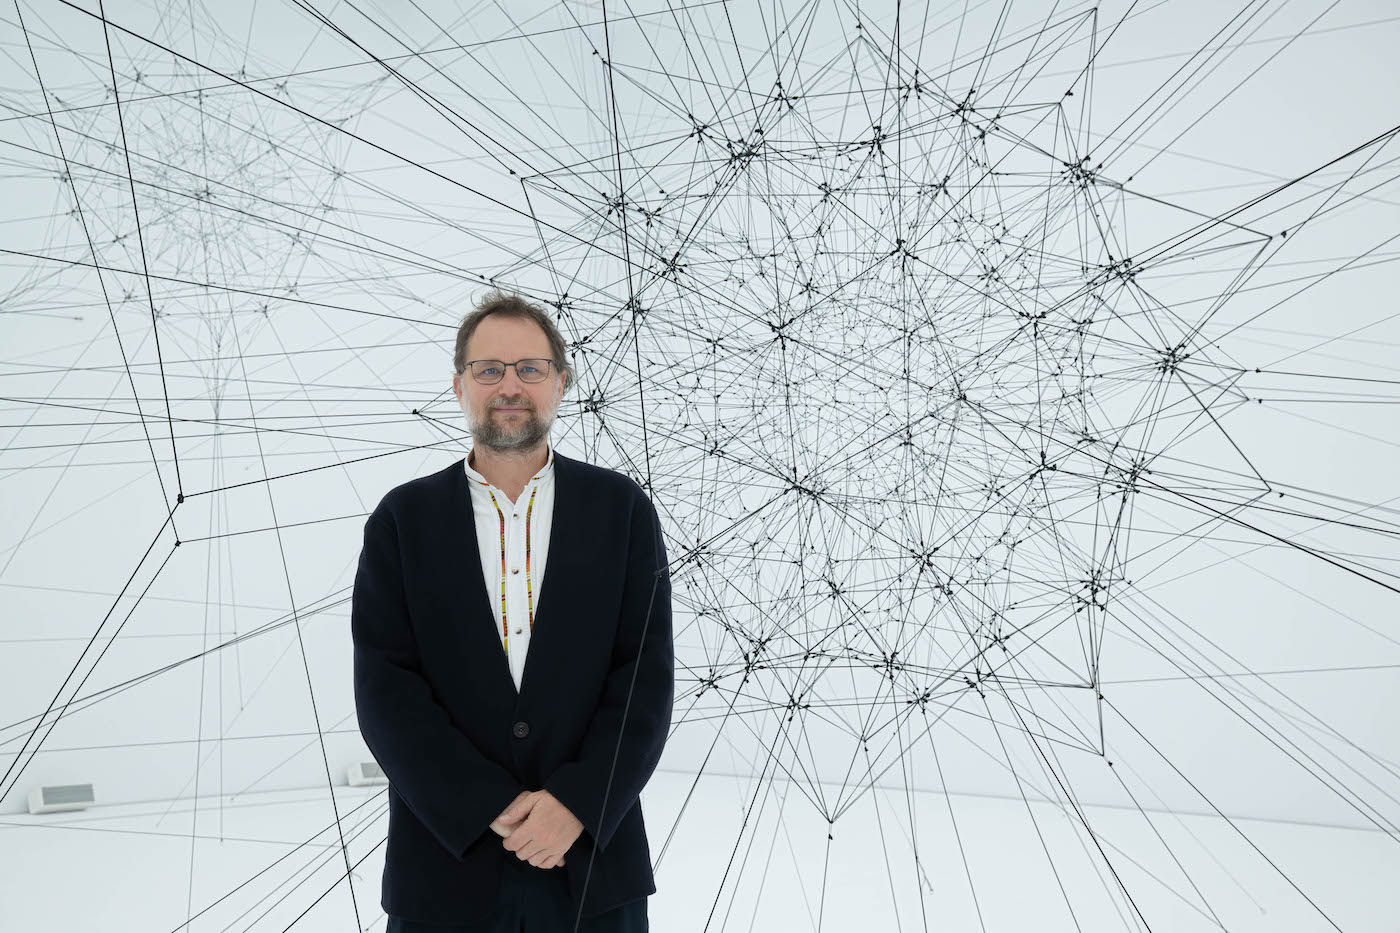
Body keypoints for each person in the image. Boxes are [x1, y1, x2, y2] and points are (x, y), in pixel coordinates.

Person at [351, 289, 673, 931]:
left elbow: (644, 680)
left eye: (529, 368)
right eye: (488, 369)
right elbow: (387, 690)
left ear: (559, 383)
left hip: (590, 865)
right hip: (446, 866)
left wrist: (576, 805)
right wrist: (486, 804)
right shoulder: (402, 520)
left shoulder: (621, 510)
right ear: (459, 385)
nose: (509, 385)